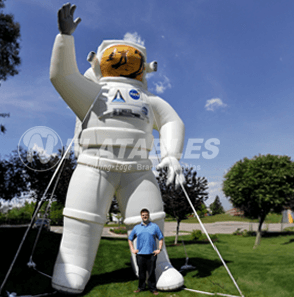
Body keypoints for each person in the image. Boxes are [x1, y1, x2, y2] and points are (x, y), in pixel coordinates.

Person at [50, 3, 185, 294]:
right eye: (117, 55)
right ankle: (72, 264)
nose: (124, 58)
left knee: (149, 219)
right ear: (99, 62)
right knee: (83, 218)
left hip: (139, 168)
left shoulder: (149, 100)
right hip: (93, 164)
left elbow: (172, 121)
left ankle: (158, 265)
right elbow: (63, 77)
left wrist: (172, 153)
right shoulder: (93, 92)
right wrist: (65, 38)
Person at [128, 208, 163, 295]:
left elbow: (161, 238)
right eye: (143, 215)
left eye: (146, 215)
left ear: (148, 216)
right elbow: (130, 239)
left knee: (151, 272)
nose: (145, 216)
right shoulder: (137, 228)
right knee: (141, 272)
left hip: (152, 254)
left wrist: (159, 249)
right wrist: (132, 249)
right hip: (140, 254)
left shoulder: (154, 226)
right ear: (141, 216)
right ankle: (141, 287)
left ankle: (152, 288)